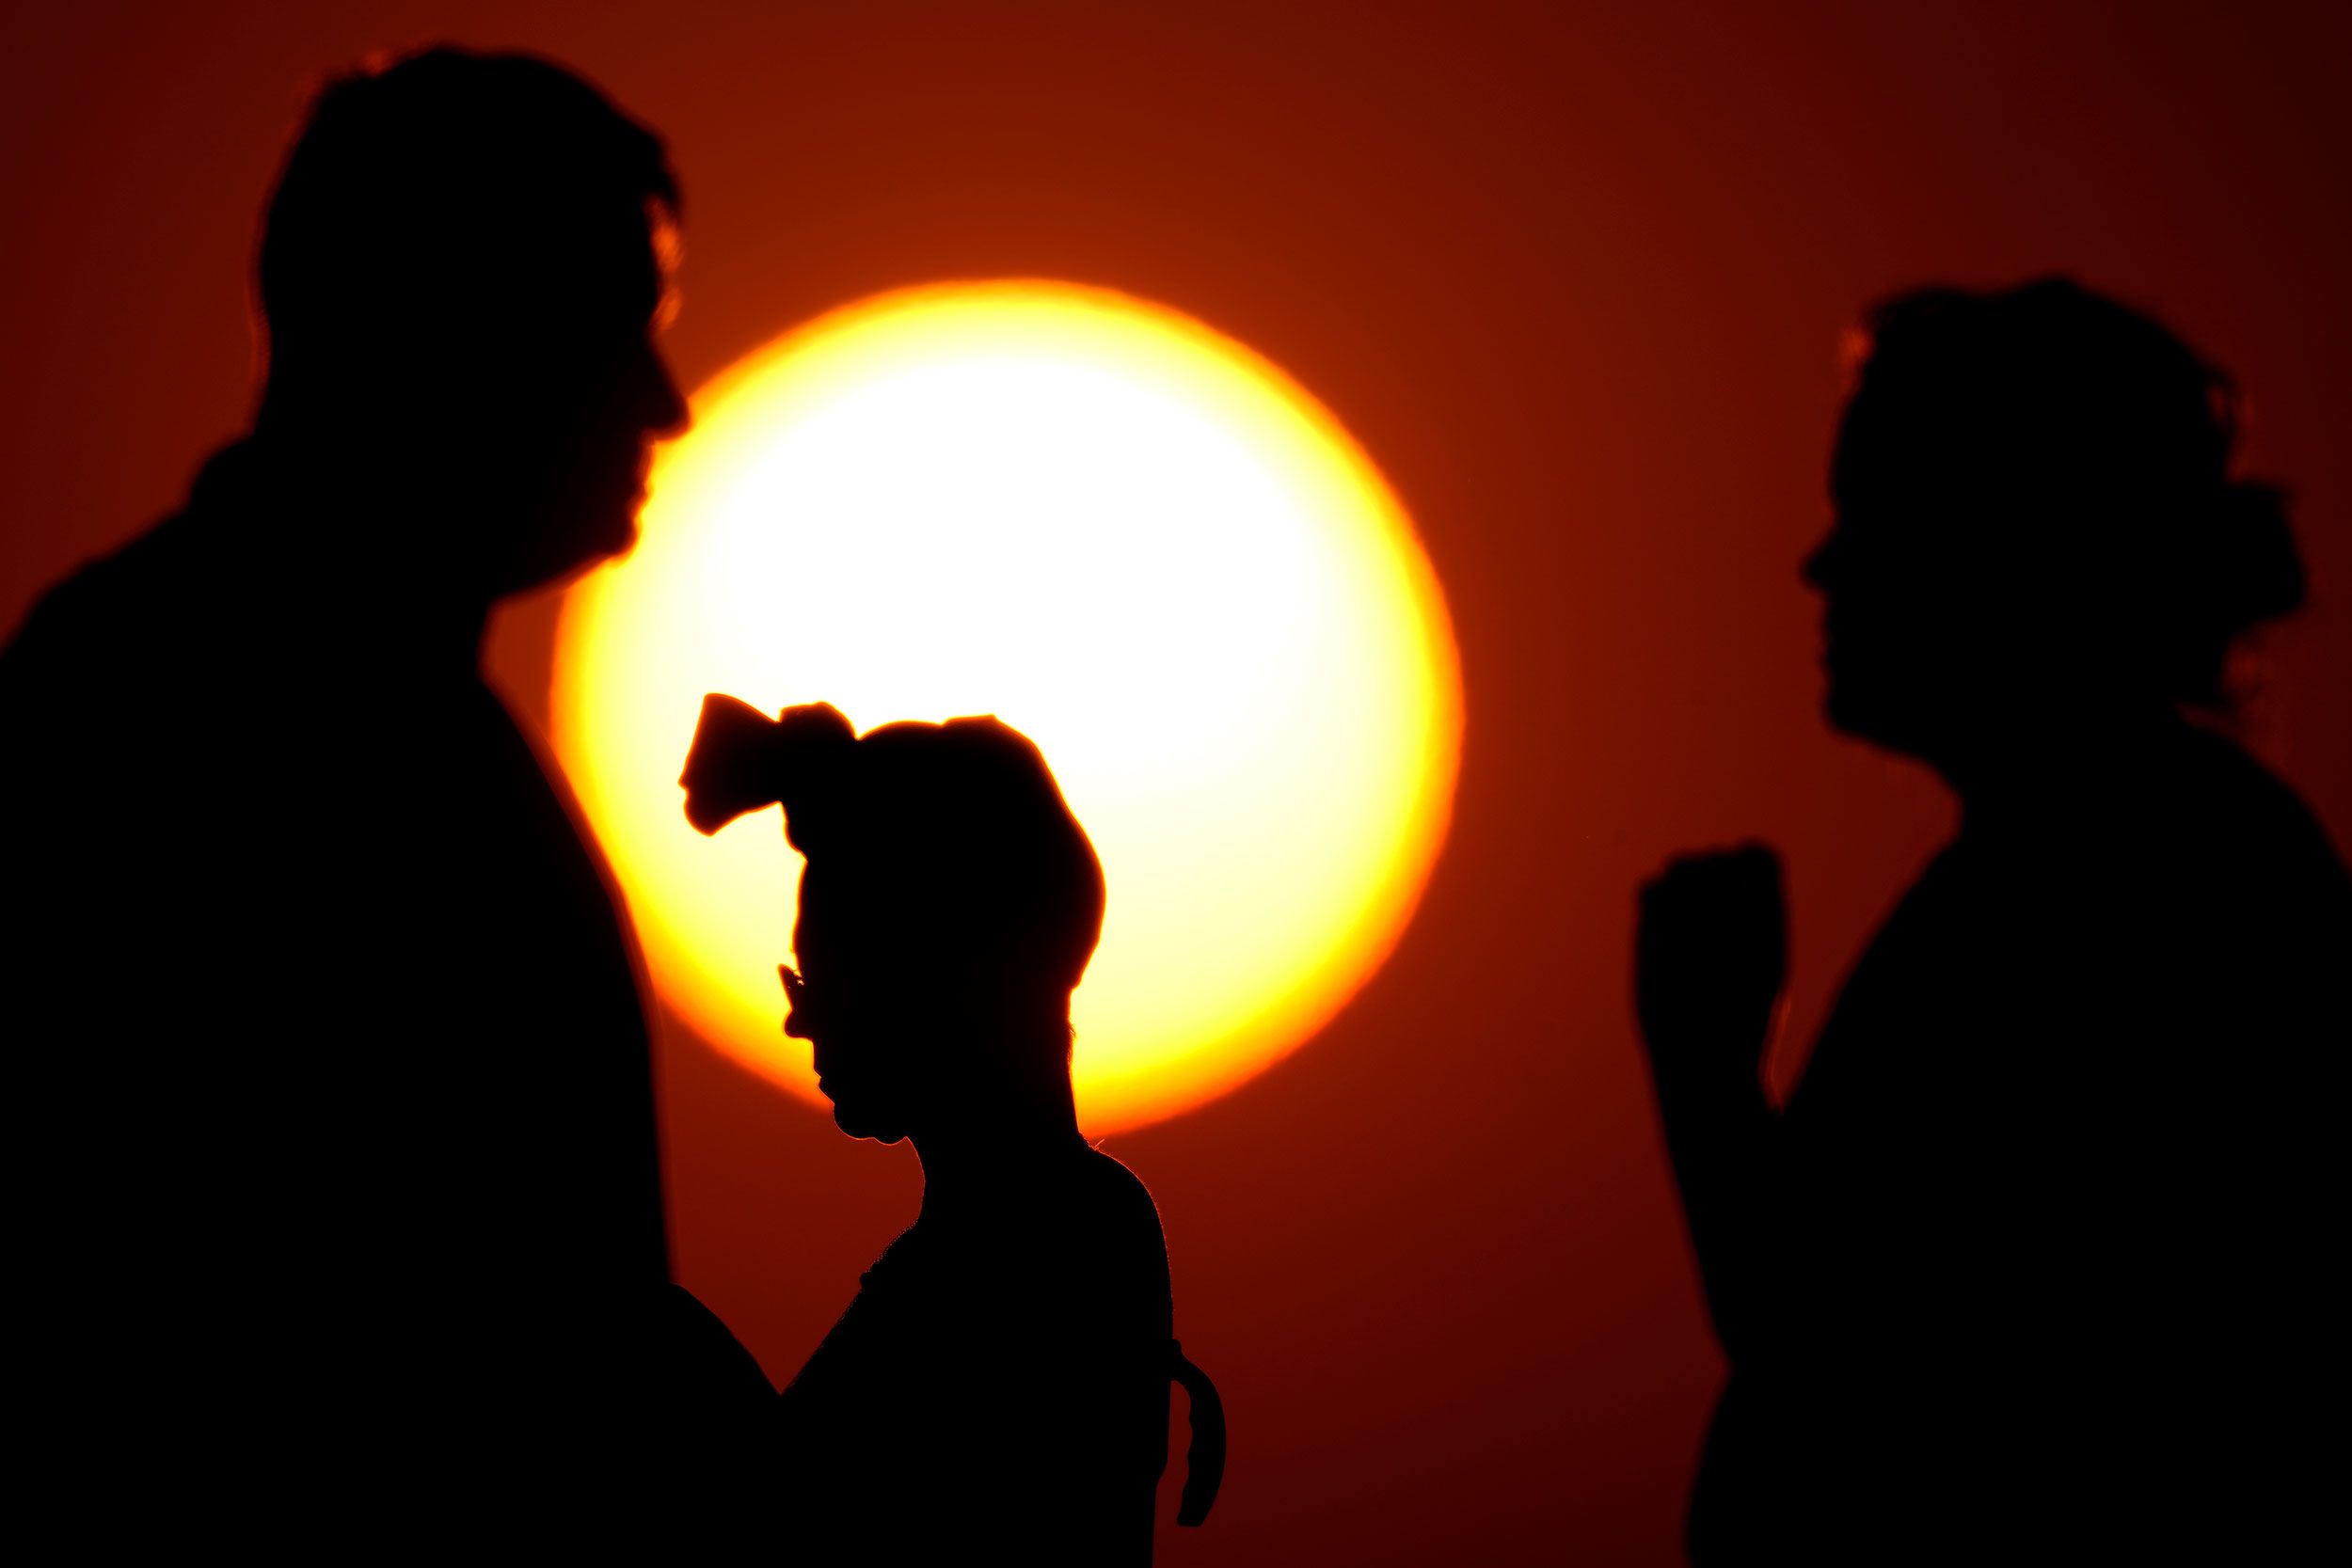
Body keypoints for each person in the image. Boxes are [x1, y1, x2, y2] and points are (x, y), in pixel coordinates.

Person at [0, 48, 767, 1547]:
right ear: (464, 332)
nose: (666, 411)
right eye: (619, 335)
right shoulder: (174, 715)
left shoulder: (364, 713)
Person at [1636, 278, 2349, 1562]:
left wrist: (1702, 1069)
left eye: (1877, 518)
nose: (1823, 564)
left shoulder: (2138, 881)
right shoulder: (2076, 856)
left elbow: (1855, 1351)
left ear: (2018, 547)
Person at [679, 693, 1224, 1564]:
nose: (798, 1025)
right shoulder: (1072, 1222)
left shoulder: (1038, 1241)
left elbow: (792, 1516)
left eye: (816, 985)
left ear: (924, 985)